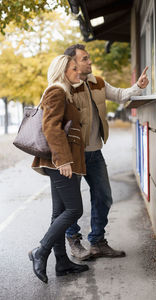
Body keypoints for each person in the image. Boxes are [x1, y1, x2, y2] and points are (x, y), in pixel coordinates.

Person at [63, 44, 149, 260]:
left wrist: (137, 86)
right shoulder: (65, 86)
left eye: (89, 58)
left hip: (94, 153)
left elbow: (120, 95)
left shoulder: (98, 82)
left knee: (104, 196)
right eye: (84, 59)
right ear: (72, 63)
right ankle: (74, 241)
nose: (90, 61)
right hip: (73, 155)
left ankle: (98, 241)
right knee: (72, 204)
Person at [29, 55, 89, 284]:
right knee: (74, 210)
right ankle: (40, 251)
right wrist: (63, 161)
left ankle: (62, 262)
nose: (78, 71)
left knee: (58, 213)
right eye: (74, 68)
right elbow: (51, 128)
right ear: (62, 71)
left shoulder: (66, 92)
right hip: (60, 162)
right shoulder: (56, 91)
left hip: (62, 161)